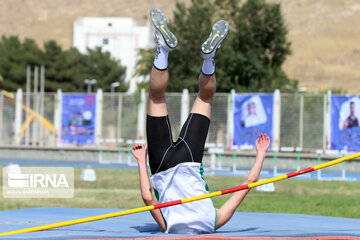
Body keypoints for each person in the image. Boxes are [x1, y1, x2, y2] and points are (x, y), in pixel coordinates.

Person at [131, 8, 270, 234]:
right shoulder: (169, 227)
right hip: (161, 165)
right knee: (156, 98)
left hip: (190, 160)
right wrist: (140, 160)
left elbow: (249, 183)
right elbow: (147, 196)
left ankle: (209, 59)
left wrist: (261, 152)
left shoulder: (215, 221)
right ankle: (163, 50)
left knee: (204, 98)